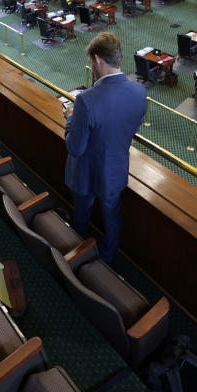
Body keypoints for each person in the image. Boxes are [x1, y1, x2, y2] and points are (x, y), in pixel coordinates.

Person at [63, 33, 147, 263]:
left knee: (82, 216)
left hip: (84, 172)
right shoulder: (140, 92)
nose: (92, 65)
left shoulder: (85, 100)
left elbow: (75, 147)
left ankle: (78, 255)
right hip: (114, 169)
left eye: (91, 61)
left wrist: (70, 117)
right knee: (112, 217)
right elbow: (132, 129)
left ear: (98, 60)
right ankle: (107, 260)